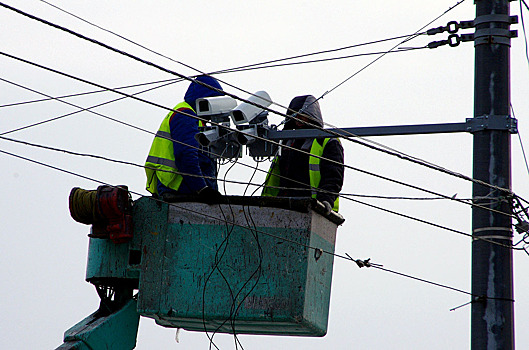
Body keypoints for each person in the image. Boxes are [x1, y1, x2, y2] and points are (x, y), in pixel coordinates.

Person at [145, 75, 223, 202]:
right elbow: (185, 154)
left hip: (182, 187)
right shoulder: (186, 114)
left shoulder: (195, 119)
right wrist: (202, 189)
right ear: (206, 101)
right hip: (179, 187)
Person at [262, 95, 344, 213]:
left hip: (312, 207)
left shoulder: (326, 141)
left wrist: (326, 201)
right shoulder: (287, 140)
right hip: (281, 205)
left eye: (302, 115)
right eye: (295, 115)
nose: (298, 119)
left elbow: (333, 176)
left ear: (312, 116)